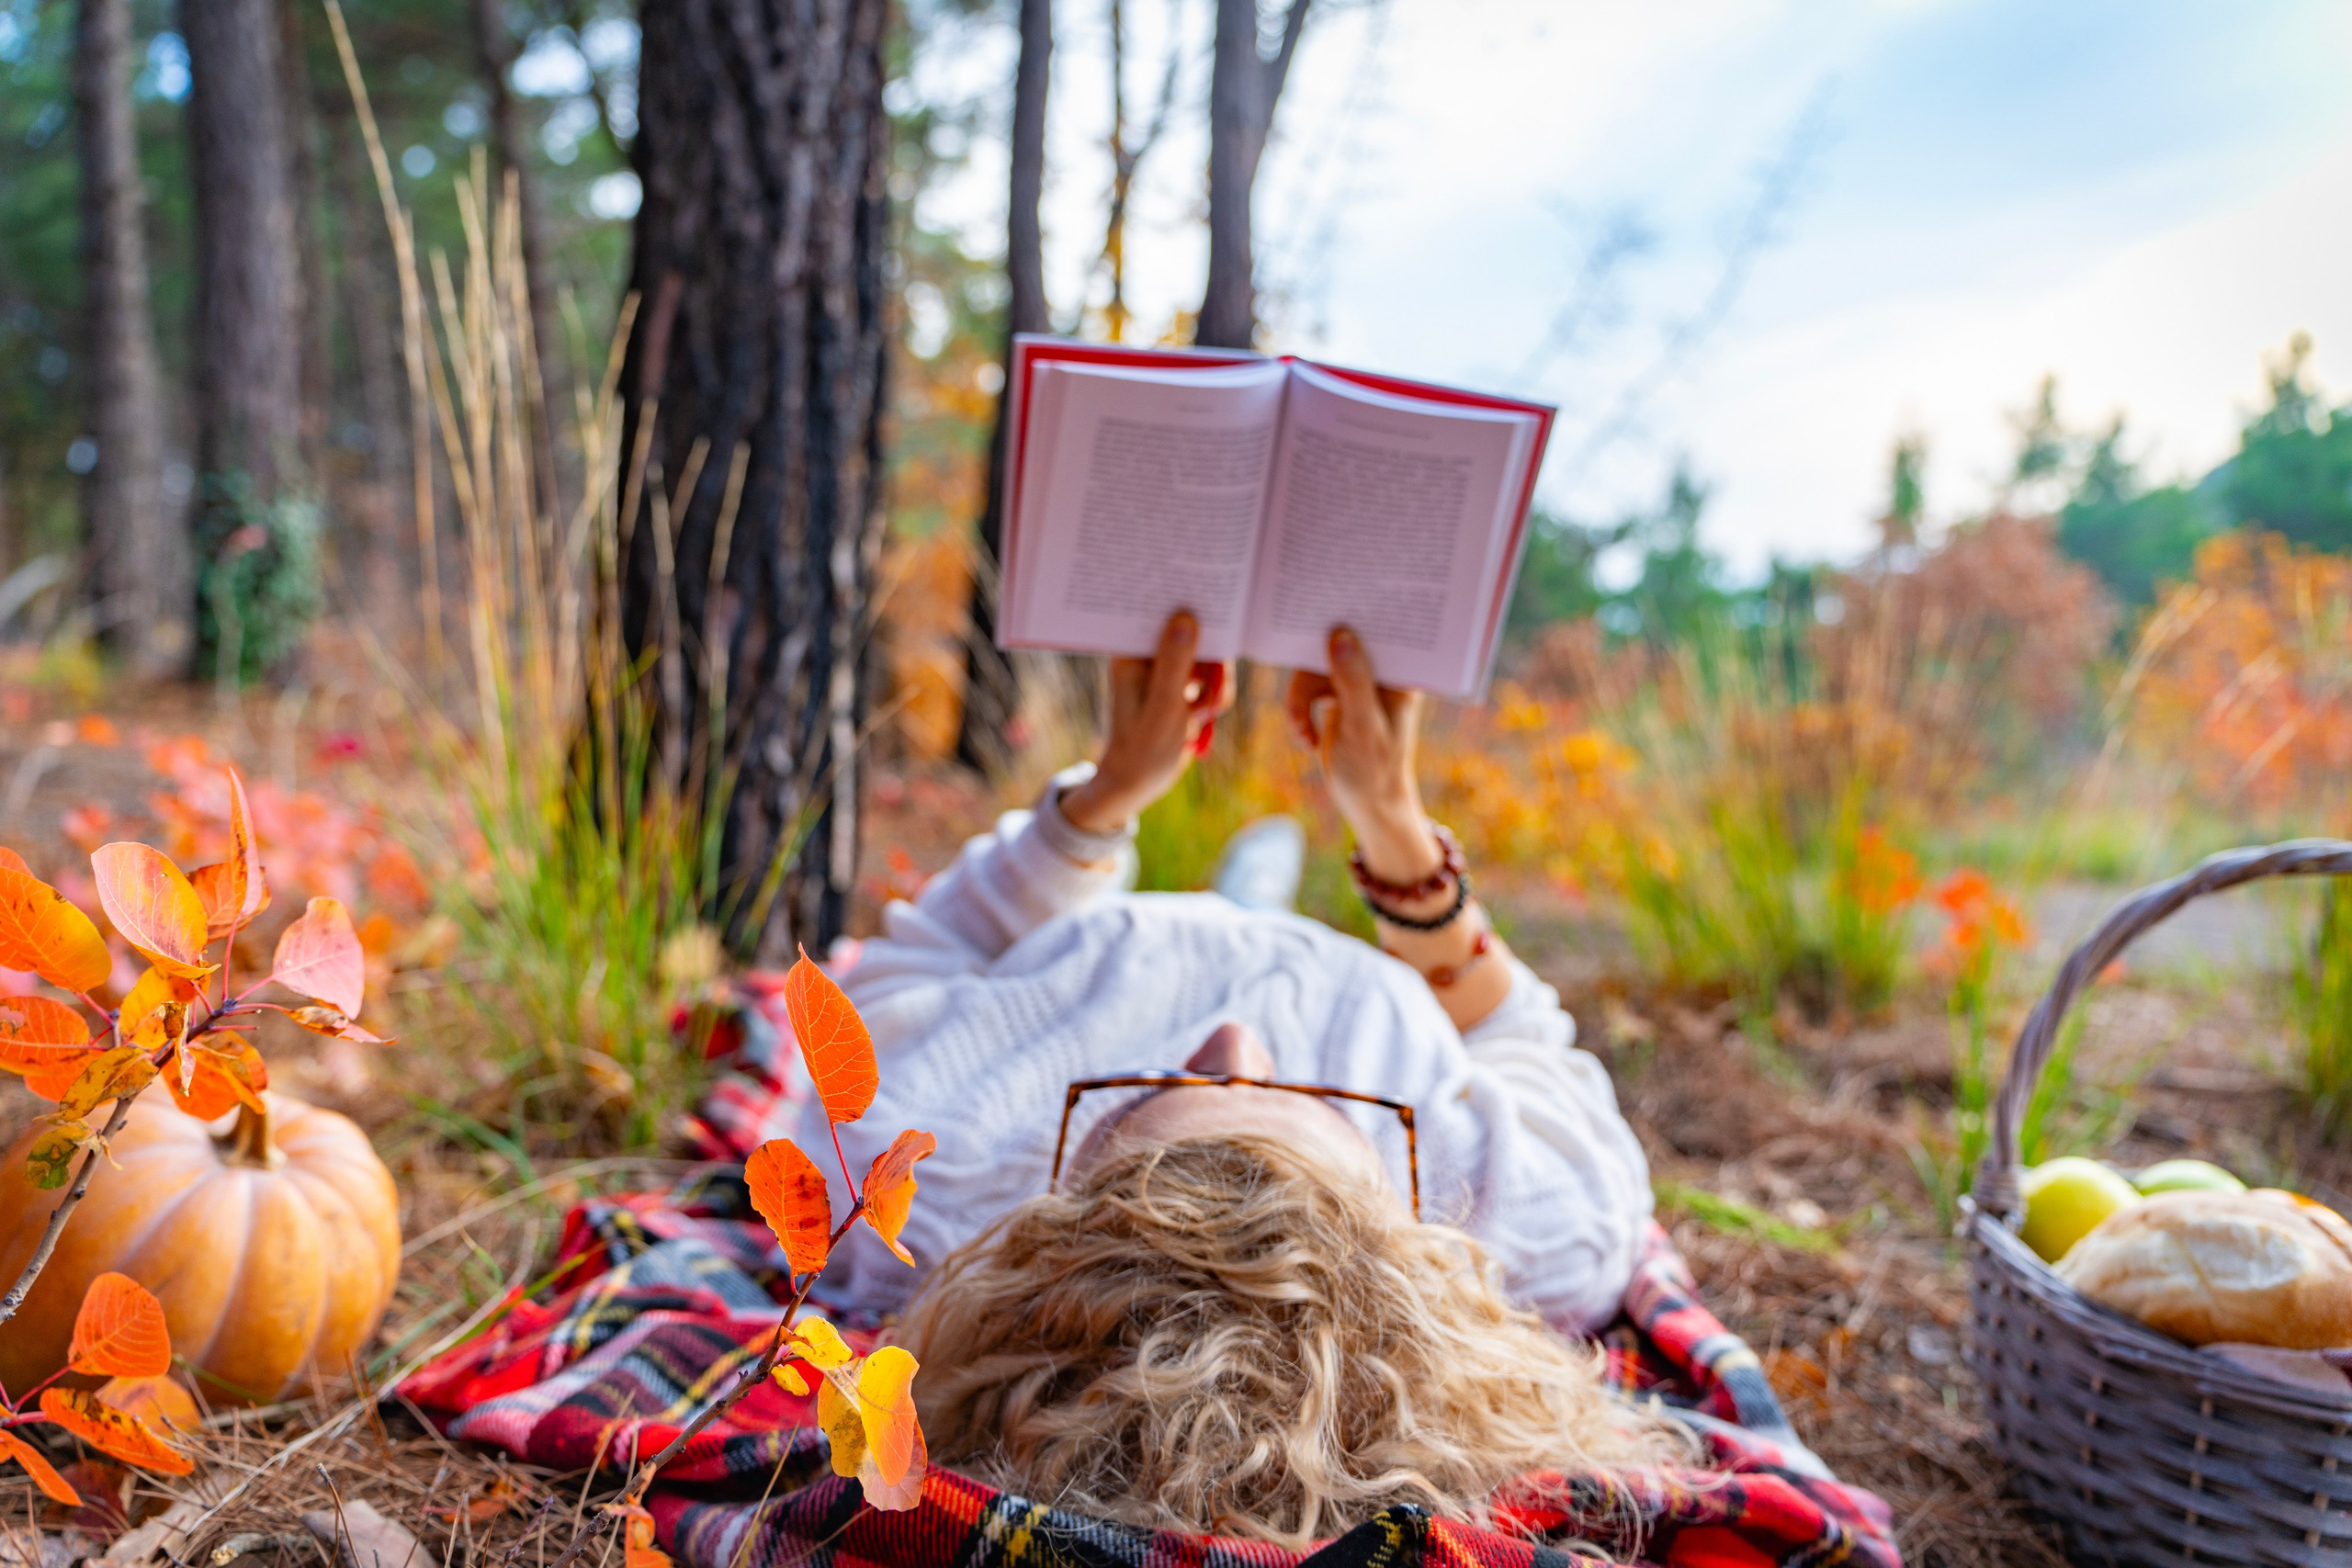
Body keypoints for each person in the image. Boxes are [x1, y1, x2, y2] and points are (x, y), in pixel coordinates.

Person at [793, 611, 1668, 1542]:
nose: (1234, 1039)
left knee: (1254, 862)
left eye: (1169, 1085)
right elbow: (1516, 1033)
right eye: (1301, 1094)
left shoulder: (901, 1190)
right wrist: (1400, 844)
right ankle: (1266, 871)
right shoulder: (1540, 1229)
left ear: (1053, 1234)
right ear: (1397, 1234)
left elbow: (915, 965)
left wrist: (1102, 797)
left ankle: (1249, 870)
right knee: (1267, 863)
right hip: (1347, 950)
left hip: (1117, 920)